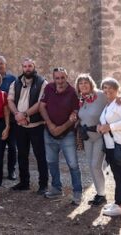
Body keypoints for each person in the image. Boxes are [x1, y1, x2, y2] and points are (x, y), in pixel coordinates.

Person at [39, 68, 82, 204]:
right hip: (49, 132)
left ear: (66, 77)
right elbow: (42, 107)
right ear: (53, 78)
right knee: (51, 162)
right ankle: (56, 188)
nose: (60, 81)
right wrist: (50, 125)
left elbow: (75, 115)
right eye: (57, 78)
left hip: (67, 134)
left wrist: (61, 128)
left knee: (73, 164)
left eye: (62, 78)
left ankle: (77, 193)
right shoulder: (49, 88)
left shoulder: (73, 92)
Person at [7, 58, 49, 194]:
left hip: (36, 125)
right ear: (22, 68)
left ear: (34, 67)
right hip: (20, 125)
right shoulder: (16, 82)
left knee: (40, 155)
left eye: (30, 66)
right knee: (22, 155)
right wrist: (17, 114)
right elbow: (10, 100)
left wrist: (24, 115)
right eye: (25, 66)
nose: (27, 68)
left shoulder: (42, 83)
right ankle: (24, 182)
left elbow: (40, 103)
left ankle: (43, 185)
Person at [97, 77, 121, 217]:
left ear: (117, 89)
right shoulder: (108, 105)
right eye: (105, 87)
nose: (107, 90)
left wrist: (110, 127)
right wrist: (100, 127)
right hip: (110, 145)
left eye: (111, 87)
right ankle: (118, 202)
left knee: (120, 175)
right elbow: (105, 122)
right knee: (116, 175)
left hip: (120, 144)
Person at [76, 73, 108, 206]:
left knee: (96, 165)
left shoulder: (100, 95)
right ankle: (99, 193)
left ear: (91, 84)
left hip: (100, 136)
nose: (83, 85)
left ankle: (102, 195)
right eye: (80, 83)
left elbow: (115, 96)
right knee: (91, 166)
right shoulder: (81, 99)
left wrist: (120, 99)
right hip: (87, 137)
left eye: (86, 83)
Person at [0, 55, 18, 180]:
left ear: (5, 65)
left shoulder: (13, 79)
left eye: (1, 63)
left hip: (12, 119)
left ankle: (11, 170)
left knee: (12, 146)